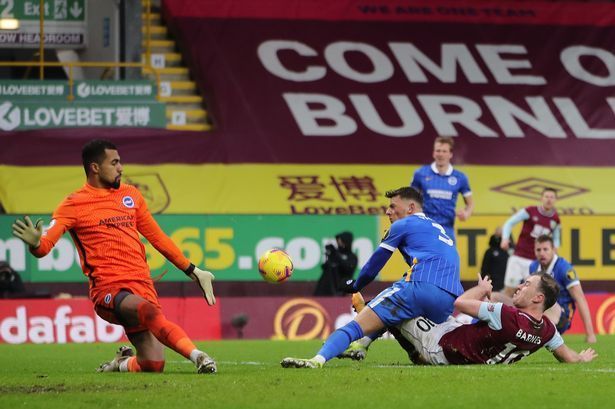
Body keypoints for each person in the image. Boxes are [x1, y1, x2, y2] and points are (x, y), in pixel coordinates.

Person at [11, 139, 217, 374]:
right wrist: (36, 244)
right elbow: (45, 247)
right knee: (148, 311)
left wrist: (193, 270)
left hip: (141, 285)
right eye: (115, 162)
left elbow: (158, 238)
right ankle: (199, 356)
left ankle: (121, 363)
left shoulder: (131, 196)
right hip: (109, 290)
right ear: (95, 167)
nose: (121, 168)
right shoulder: (74, 204)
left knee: (153, 364)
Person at [281, 186, 462, 369]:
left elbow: (374, 264)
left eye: (392, 206)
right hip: (449, 298)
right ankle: (371, 346)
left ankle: (317, 360)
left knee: (356, 325)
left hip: (421, 287)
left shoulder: (402, 225)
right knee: (396, 316)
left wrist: (356, 284)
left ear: (410, 208)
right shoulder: (440, 229)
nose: (387, 211)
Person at [393, 273, 596, 365]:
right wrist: (582, 358)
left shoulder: (506, 315)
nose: (519, 287)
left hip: (441, 347)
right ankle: (414, 351)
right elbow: (567, 357)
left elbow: (461, 303)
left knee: (397, 305)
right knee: (430, 307)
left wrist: (482, 289)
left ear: (538, 298)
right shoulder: (547, 330)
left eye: (526, 284)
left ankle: (363, 338)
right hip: (457, 335)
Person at [530, 235, 596, 343]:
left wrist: (590, 334)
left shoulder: (564, 268)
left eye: (545, 249)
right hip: (542, 313)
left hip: (562, 316)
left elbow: (580, 299)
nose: (542, 253)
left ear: (554, 250)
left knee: (538, 299)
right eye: (538, 250)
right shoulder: (533, 266)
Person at [410, 136, 473, 243]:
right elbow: (410, 199)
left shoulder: (460, 177)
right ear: (433, 153)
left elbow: (470, 204)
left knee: (448, 259)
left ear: (450, 154)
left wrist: (466, 214)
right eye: (438, 151)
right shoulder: (420, 173)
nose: (441, 154)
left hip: (447, 230)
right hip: (424, 228)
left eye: (444, 151)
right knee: (421, 260)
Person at [501, 187, 561, 297]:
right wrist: (505, 238)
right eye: (546, 196)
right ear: (541, 198)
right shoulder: (530, 211)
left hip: (536, 263)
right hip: (518, 258)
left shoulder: (555, 219)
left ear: (556, 200)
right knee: (509, 291)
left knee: (531, 295)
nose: (549, 199)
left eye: (552, 197)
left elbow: (557, 238)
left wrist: (555, 250)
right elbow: (509, 223)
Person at [313, 231, 358, 296]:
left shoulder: (352, 257)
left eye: (341, 241)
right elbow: (325, 267)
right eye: (338, 241)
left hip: (341, 290)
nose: (339, 243)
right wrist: (330, 255)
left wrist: (336, 255)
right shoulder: (334, 254)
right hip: (325, 289)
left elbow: (347, 269)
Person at [480, 227, 510, 292]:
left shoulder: (508, 252)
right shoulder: (490, 251)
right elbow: (484, 269)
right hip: (494, 285)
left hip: (505, 284)